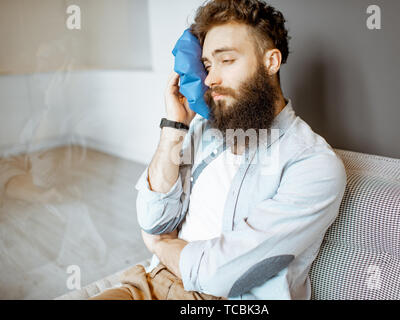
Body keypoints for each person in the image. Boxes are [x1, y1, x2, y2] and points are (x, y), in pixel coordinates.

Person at [92, 0, 347, 300]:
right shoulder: (203, 130)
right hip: (151, 283)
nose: (211, 79)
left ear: (271, 62)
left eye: (226, 61)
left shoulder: (312, 164)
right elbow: (153, 219)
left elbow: (218, 274)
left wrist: (159, 245)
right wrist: (174, 127)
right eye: (208, 65)